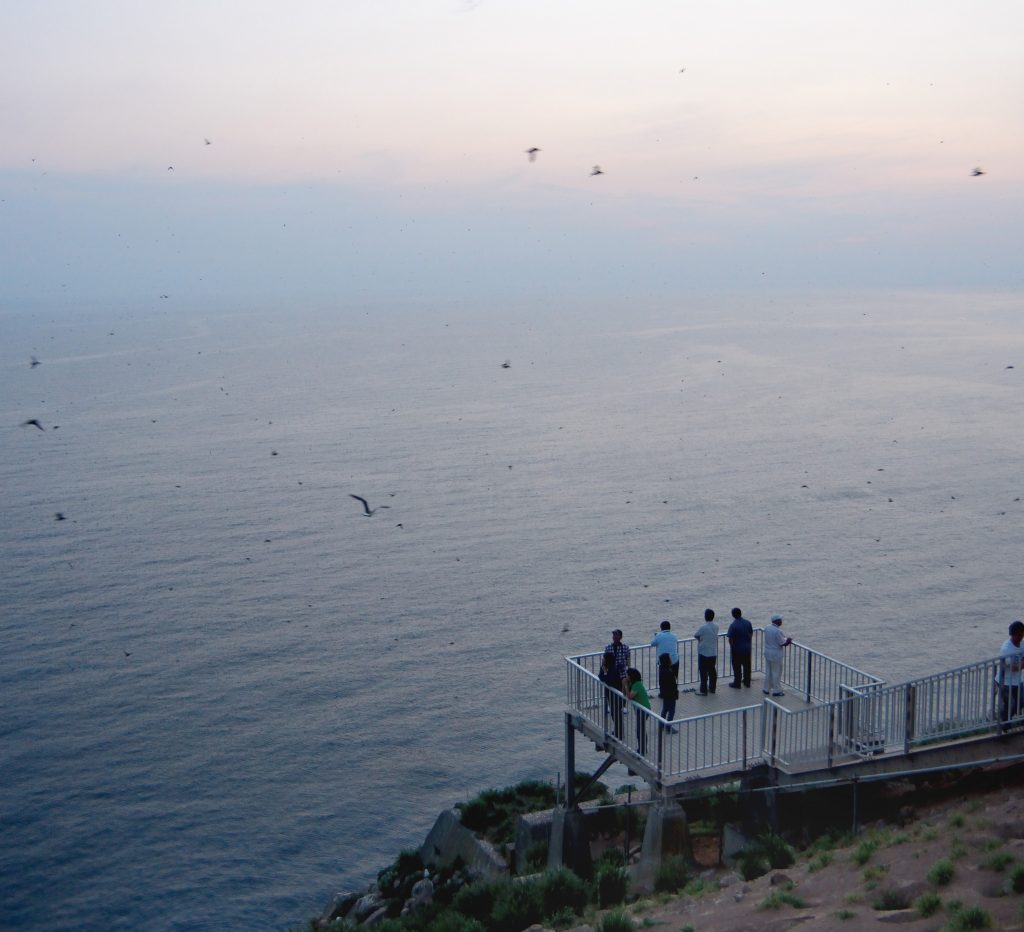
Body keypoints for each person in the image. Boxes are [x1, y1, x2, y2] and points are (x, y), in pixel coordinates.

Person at [998, 620, 1024, 726]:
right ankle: (1004, 724)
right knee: (1011, 703)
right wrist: (1021, 664)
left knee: (1021, 701)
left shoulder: (1022, 645)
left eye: (1022, 633)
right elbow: (1011, 667)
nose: (1021, 636)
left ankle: (1010, 722)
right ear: (1013, 634)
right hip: (1005, 681)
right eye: (1019, 634)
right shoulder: (1006, 649)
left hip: (1017, 680)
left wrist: (1020, 664)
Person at [763, 613, 792, 697]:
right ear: (777, 621)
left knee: (768, 671)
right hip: (775, 653)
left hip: (767, 651)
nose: (781, 622)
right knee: (776, 672)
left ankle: (766, 689)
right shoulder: (778, 631)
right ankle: (777, 690)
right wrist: (789, 640)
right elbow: (782, 643)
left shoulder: (767, 627)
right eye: (780, 620)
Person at [726, 607, 754, 689]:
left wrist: (732, 647)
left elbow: (730, 639)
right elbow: (751, 634)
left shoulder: (733, 625)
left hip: (737, 649)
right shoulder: (748, 622)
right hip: (747, 648)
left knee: (737, 667)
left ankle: (737, 683)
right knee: (747, 666)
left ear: (733, 615)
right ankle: (747, 682)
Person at [626, 667, 651, 755]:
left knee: (640, 730)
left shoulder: (637, 685)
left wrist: (625, 685)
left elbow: (629, 696)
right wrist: (625, 684)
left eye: (627, 675)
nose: (626, 676)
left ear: (631, 677)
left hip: (643, 710)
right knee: (641, 729)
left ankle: (642, 749)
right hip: (640, 710)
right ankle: (643, 748)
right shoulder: (633, 684)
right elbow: (625, 693)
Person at [598, 650, 624, 735]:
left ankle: (619, 732)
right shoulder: (605, 667)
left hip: (617, 695)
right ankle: (618, 730)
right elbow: (601, 677)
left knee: (616, 714)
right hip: (610, 695)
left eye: (604, 658)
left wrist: (605, 672)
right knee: (614, 713)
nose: (602, 660)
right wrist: (603, 670)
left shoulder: (614, 670)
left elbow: (609, 681)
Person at [694, 609, 719, 695]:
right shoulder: (716, 626)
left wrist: (700, 640)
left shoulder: (703, 627)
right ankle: (712, 688)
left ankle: (703, 690)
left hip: (703, 652)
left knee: (703, 672)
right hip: (713, 652)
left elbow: (696, 635)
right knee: (712, 671)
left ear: (705, 617)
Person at [605, 628, 631, 693]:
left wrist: (627, 672)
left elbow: (628, 661)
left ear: (621, 637)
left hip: (622, 675)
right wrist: (605, 673)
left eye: (616, 635)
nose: (614, 637)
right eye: (614, 635)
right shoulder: (608, 647)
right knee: (612, 693)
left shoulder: (625, 647)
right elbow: (604, 662)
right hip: (612, 675)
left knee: (622, 694)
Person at [658, 652, 678, 722]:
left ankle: (661, 724)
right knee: (671, 710)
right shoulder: (669, 672)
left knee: (665, 709)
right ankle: (669, 726)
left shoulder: (662, 669)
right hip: (670, 694)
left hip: (665, 693)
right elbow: (673, 683)